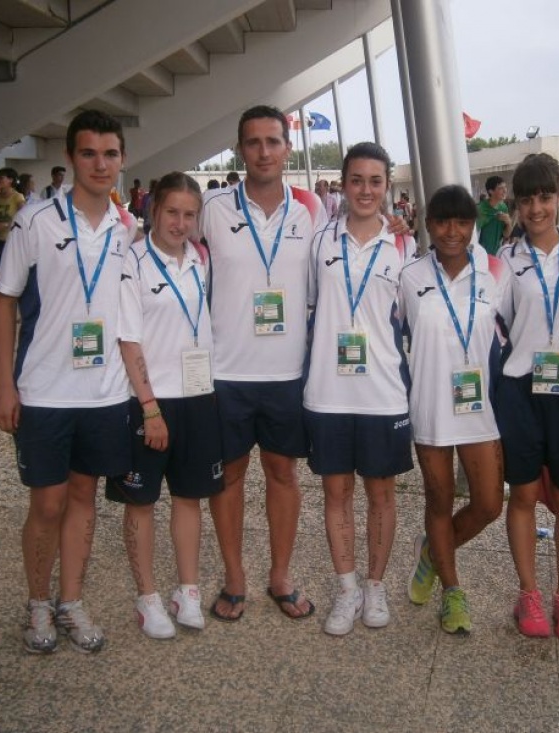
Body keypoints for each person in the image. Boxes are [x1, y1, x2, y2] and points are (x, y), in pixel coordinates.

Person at [0, 109, 141, 655]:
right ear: (71, 158)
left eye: (110, 153)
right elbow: (5, 300)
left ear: (122, 159)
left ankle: (71, 600)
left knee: (84, 497)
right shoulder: (36, 220)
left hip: (104, 394)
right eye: (88, 153)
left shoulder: (128, 229)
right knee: (47, 504)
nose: (100, 164)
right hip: (45, 390)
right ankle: (37, 603)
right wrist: (5, 385)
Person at [198, 105, 330, 623]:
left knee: (282, 473)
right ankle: (234, 578)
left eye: (273, 141)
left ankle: (280, 575)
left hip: (286, 372)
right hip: (225, 371)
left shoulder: (312, 209)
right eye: (253, 143)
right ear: (240, 150)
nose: (263, 152)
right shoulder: (212, 208)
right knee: (228, 477)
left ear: (287, 148)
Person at [304, 142, 415, 636]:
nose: (366, 190)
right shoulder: (319, 240)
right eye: (356, 180)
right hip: (328, 390)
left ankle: (375, 585)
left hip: (383, 391)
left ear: (387, 185)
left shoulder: (405, 245)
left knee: (382, 494)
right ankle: (346, 588)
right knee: (336, 492)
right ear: (343, 184)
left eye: (375, 181)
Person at [108, 172, 224, 638]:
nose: (180, 222)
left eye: (189, 214)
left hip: (198, 395)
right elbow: (128, 339)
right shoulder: (132, 261)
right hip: (149, 402)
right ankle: (148, 598)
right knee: (140, 502)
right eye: (172, 212)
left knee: (188, 497)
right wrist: (150, 407)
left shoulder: (200, 259)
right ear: (153, 210)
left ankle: (187, 591)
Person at [494, 153, 559, 641]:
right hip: (521, 387)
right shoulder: (507, 261)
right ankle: (529, 594)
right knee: (525, 493)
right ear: (516, 203)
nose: (536, 208)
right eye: (526, 199)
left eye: (544, 197)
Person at [399, 184, 509, 635]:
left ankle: (433, 551)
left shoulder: (494, 275)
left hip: (478, 409)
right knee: (439, 500)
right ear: (429, 225)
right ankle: (452, 591)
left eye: (462, 222)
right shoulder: (408, 276)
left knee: (488, 505)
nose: (452, 231)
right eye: (442, 221)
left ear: (473, 225)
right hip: (429, 408)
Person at [0, 167, 27, 323]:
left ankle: (18, 313)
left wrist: (3, 225)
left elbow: (22, 218)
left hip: (13, 242)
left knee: (15, 277)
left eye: (1, 178)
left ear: (10, 180)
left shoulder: (18, 197)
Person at [476, 176, 513, 255]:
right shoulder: (480, 210)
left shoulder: (503, 207)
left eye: (505, 187)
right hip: (481, 255)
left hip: (497, 253)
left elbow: (506, 234)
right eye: (500, 188)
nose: (505, 191)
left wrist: (508, 223)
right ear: (491, 191)